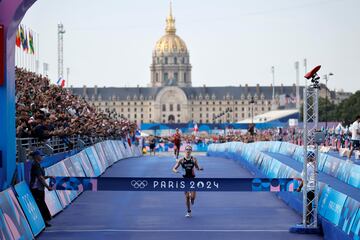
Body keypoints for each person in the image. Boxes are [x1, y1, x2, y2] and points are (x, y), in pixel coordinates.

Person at [172, 145, 204, 218]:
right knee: (186, 197)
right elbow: (173, 168)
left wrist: (200, 168)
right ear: (185, 151)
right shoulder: (181, 160)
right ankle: (189, 211)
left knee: (192, 197)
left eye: (189, 149)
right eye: (187, 149)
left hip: (192, 179)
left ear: (191, 151)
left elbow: (197, 167)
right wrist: (176, 171)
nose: (188, 151)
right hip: (185, 180)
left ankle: (192, 199)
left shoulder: (194, 159)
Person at [30, 150, 54, 227]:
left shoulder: (38, 165)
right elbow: (40, 178)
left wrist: (48, 176)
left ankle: (45, 221)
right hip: (36, 189)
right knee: (40, 205)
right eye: (41, 155)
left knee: (41, 204)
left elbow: (42, 176)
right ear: (36, 156)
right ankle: (43, 222)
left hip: (40, 189)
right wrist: (47, 187)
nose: (42, 157)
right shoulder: (36, 165)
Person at [296, 150, 315, 225]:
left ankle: (306, 221)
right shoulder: (313, 166)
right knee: (309, 204)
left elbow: (304, 180)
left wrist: (299, 187)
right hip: (313, 187)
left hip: (309, 188)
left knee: (308, 205)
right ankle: (307, 220)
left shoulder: (307, 167)